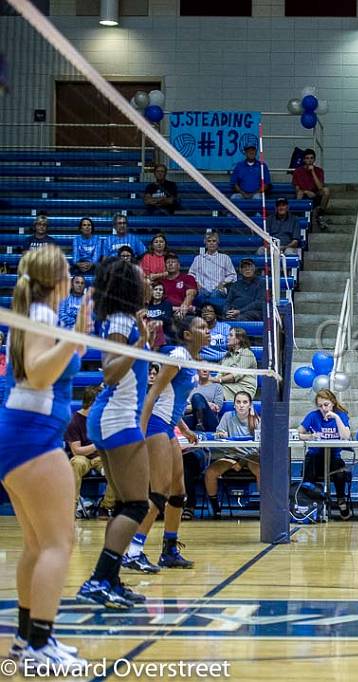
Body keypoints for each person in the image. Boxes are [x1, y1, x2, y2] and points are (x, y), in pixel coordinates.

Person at [0, 245, 90, 668]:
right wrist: (72, 339)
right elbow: (37, 371)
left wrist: (74, 343)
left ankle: (26, 640)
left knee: (37, 544)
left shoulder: (36, 314)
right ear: (57, 279)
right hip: (33, 436)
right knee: (58, 542)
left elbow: (43, 369)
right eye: (68, 271)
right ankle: (40, 646)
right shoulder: (42, 315)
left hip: (21, 433)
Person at [78, 256, 152, 610]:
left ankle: (109, 580)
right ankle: (97, 579)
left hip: (115, 416)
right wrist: (140, 345)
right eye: (140, 276)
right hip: (116, 416)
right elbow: (109, 371)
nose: (146, 278)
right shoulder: (121, 320)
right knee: (138, 504)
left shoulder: (125, 318)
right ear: (128, 285)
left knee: (126, 504)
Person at [127, 315, 205, 572]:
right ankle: (133, 551)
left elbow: (175, 399)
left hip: (169, 426)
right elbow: (153, 395)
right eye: (201, 327)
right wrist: (140, 432)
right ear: (187, 335)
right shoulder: (178, 355)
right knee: (158, 492)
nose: (207, 330)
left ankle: (169, 550)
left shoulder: (192, 359)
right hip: (155, 425)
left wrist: (184, 428)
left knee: (178, 493)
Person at [297, 389, 354, 520]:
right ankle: (309, 501)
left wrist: (336, 417)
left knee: (340, 471)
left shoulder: (341, 415)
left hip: (333, 457)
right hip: (315, 457)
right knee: (309, 463)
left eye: (326, 405)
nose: (323, 408)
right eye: (320, 405)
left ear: (333, 403)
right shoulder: (313, 416)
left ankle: (341, 500)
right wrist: (310, 436)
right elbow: (297, 434)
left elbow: (345, 436)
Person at [205, 391, 261, 517]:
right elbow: (218, 435)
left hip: (251, 457)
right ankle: (215, 508)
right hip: (230, 456)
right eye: (238, 402)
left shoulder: (257, 420)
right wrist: (220, 435)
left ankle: (264, 506)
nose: (241, 405)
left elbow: (259, 446)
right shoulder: (227, 416)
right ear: (234, 405)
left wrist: (242, 462)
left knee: (261, 471)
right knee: (210, 473)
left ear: (250, 405)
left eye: (245, 402)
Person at [66, 385, 115, 517]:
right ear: (91, 403)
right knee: (76, 463)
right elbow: (76, 450)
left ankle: (106, 506)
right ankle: (72, 506)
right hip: (83, 457)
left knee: (117, 466)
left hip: (101, 457)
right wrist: (96, 445)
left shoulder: (104, 419)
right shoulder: (74, 421)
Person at [188, 232, 236, 312]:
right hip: (202, 289)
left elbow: (233, 275)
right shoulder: (198, 258)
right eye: (209, 241)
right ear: (205, 243)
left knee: (215, 294)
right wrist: (196, 283)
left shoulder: (225, 258)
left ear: (218, 243)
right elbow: (191, 274)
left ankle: (215, 315)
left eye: (214, 241)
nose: (211, 243)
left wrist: (223, 283)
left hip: (218, 289)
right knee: (201, 295)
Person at [211, 327, 258, 401]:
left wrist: (218, 380)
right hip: (226, 386)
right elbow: (220, 373)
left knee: (213, 390)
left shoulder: (247, 354)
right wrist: (211, 381)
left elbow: (235, 375)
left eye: (231, 335)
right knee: (206, 388)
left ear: (239, 339)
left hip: (242, 389)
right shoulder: (228, 356)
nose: (227, 337)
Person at [292, 148, 331, 230]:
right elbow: (297, 189)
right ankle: (298, 218)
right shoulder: (298, 172)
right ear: (303, 160)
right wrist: (306, 191)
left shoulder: (319, 171)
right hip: (304, 195)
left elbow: (320, 187)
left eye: (311, 158)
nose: (309, 160)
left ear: (314, 159)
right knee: (299, 193)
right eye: (307, 158)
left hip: (316, 194)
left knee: (326, 190)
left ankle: (320, 214)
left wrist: (313, 172)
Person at [184, 369, 224, 433]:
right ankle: (199, 424)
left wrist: (200, 403)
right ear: (197, 371)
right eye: (202, 368)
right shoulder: (190, 387)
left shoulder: (217, 387)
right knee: (176, 420)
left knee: (197, 396)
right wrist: (203, 404)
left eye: (206, 368)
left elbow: (217, 408)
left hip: (209, 420)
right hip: (193, 418)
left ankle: (200, 424)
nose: (204, 370)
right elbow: (183, 409)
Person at [161, 253, 198, 318]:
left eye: (173, 262)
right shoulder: (161, 282)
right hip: (165, 313)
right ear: (165, 267)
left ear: (178, 265)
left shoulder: (188, 278)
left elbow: (190, 295)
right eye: (168, 262)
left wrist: (183, 309)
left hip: (184, 313)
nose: (170, 264)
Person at [144, 282, 174, 349]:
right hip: (147, 332)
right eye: (156, 289)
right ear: (151, 292)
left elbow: (167, 319)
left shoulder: (166, 304)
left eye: (160, 290)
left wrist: (150, 318)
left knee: (157, 325)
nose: (158, 292)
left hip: (164, 334)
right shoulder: (147, 305)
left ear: (163, 293)